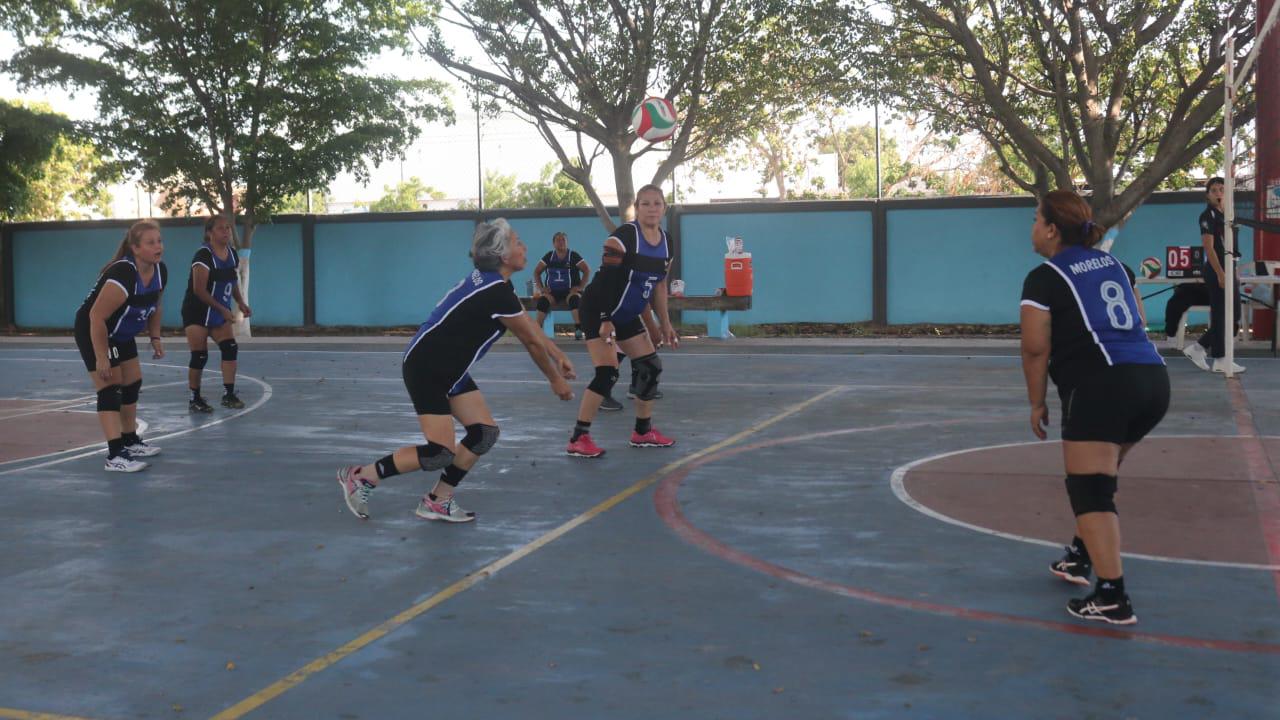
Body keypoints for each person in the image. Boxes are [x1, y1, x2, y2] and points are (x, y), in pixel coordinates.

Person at [338, 219, 576, 523]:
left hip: (449, 369)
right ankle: (361, 477)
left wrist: (559, 354)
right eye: (517, 241)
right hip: (428, 368)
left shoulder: (496, 281)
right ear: (503, 255)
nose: (524, 246)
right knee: (439, 452)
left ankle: (438, 499)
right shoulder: (495, 291)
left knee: (483, 434)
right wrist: (555, 380)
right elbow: (529, 339)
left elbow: (526, 323)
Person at [1020, 190, 1169, 625]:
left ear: (1051, 229)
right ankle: (1079, 557)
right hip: (1152, 382)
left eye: (1035, 219)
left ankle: (1111, 595)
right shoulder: (1117, 268)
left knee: (1090, 490)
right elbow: (1138, 321)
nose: (1031, 228)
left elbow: (1034, 349)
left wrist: (1036, 402)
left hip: (1102, 386)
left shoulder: (1044, 278)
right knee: (1100, 477)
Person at [566, 184, 680, 458]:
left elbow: (658, 286)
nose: (652, 208)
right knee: (608, 373)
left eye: (657, 203)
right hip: (598, 309)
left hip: (627, 314)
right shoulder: (623, 237)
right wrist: (606, 319)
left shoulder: (667, 242)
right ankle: (578, 438)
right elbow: (605, 281)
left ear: (664, 208)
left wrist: (663, 324)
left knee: (650, 367)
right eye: (646, 203)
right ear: (637, 208)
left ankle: (643, 432)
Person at [73, 220, 168, 472]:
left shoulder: (160, 271)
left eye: (159, 241)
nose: (158, 246)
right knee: (109, 387)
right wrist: (101, 356)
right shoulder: (124, 273)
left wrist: (155, 338)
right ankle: (115, 456)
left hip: (121, 332)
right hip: (95, 329)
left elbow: (155, 307)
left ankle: (129, 439)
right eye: (151, 242)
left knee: (133, 381)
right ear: (135, 248)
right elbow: (96, 317)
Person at [181, 214, 252, 412]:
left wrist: (240, 302)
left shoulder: (231, 253)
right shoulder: (203, 255)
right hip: (197, 312)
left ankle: (228, 394)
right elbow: (199, 289)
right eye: (221, 228)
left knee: (230, 348)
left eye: (228, 228)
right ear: (209, 233)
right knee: (199, 356)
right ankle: (195, 398)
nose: (226, 232)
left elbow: (232, 281)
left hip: (218, 312)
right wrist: (223, 309)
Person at [1182, 177, 1244, 373]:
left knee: (1233, 314)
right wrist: (1220, 273)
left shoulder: (1228, 214)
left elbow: (1231, 247)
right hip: (1216, 269)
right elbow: (1208, 247)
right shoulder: (1207, 215)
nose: (1218, 193)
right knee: (1221, 315)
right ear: (1207, 195)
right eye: (1214, 190)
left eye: (1221, 190)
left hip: (1230, 267)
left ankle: (1198, 348)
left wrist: (1233, 271)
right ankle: (1220, 359)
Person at [532, 231, 591, 340]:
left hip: (569, 291)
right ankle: (537, 330)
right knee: (542, 301)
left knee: (575, 300)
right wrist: (541, 288)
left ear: (567, 242)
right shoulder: (549, 256)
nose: (561, 242)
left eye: (563, 240)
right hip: (552, 292)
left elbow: (587, 270)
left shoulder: (573, 256)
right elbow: (536, 272)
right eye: (558, 240)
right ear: (553, 243)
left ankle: (578, 329)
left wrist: (580, 287)